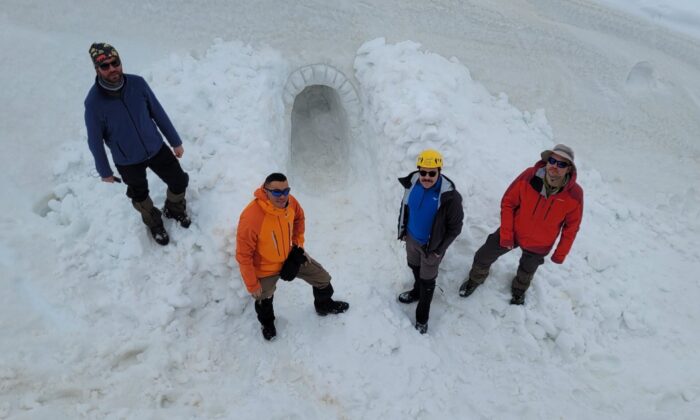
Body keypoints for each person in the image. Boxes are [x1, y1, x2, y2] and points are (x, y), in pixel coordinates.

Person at [84, 42, 190, 246]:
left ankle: (174, 208)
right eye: (105, 66)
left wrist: (175, 141)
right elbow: (94, 140)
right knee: (140, 195)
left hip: (155, 147)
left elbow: (158, 112)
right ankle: (154, 222)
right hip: (127, 159)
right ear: (97, 69)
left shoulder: (137, 84)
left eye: (115, 62)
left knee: (179, 181)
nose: (112, 68)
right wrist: (104, 170)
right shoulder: (94, 102)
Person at [459, 144, 584, 305]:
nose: (555, 166)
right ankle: (475, 279)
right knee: (484, 255)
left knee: (527, 270)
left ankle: (519, 291)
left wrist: (560, 253)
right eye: (552, 160)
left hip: (541, 243)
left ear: (569, 169)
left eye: (561, 164)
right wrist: (506, 234)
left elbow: (571, 228)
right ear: (547, 161)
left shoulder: (574, 194)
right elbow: (508, 203)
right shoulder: (529, 176)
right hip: (514, 231)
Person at [236, 173, 349, 341]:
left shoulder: (290, 203)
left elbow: (299, 218)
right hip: (265, 268)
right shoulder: (251, 217)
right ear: (265, 191)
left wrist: (297, 248)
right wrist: (252, 285)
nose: (282, 196)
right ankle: (267, 323)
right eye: (276, 192)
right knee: (263, 297)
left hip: (289, 256)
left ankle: (323, 305)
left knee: (323, 279)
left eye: (286, 190)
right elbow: (243, 255)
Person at [397, 149, 464, 334]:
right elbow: (405, 208)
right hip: (411, 239)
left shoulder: (450, 197)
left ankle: (422, 318)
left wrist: (439, 250)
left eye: (432, 173)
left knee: (428, 283)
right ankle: (415, 292)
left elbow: (455, 228)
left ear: (439, 171)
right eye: (423, 172)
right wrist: (402, 230)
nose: (427, 177)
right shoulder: (412, 184)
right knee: (414, 267)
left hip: (431, 248)